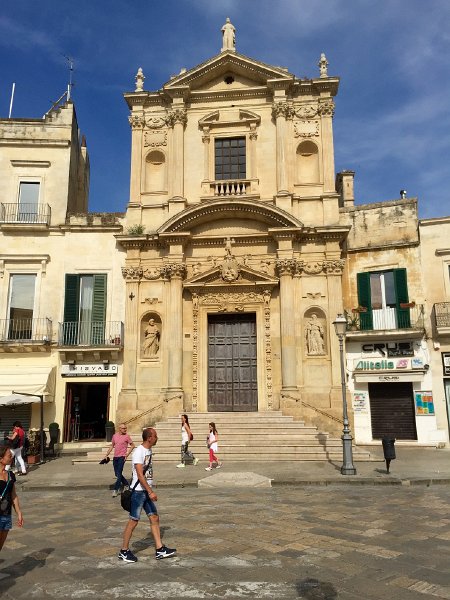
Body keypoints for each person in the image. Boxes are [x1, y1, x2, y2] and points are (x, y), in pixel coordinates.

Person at [118, 427, 176, 563]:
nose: (157, 438)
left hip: (145, 491)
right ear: (149, 438)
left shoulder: (149, 450)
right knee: (133, 521)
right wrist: (150, 491)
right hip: (139, 492)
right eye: (155, 436)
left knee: (154, 517)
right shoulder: (139, 452)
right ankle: (124, 551)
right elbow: (139, 474)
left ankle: (160, 549)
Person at [0, 443, 24, 551]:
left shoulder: (10, 475)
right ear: (1, 458)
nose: (12, 457)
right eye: (9, 455)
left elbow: (13, 495)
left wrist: (19, 513)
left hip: (6, 514)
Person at [104, 423, 135, 497]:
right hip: (115, 457)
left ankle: (116, 490)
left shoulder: (127, 436)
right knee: (117, 474)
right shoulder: (114, 436)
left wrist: (127, 454)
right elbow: (112, 446)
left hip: (122, 457)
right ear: (120, 429)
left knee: (118, 474)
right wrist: (106, 455)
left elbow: (133, 445)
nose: (125, 429)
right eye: (124, 428)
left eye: (126, 428)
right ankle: (126, 484)